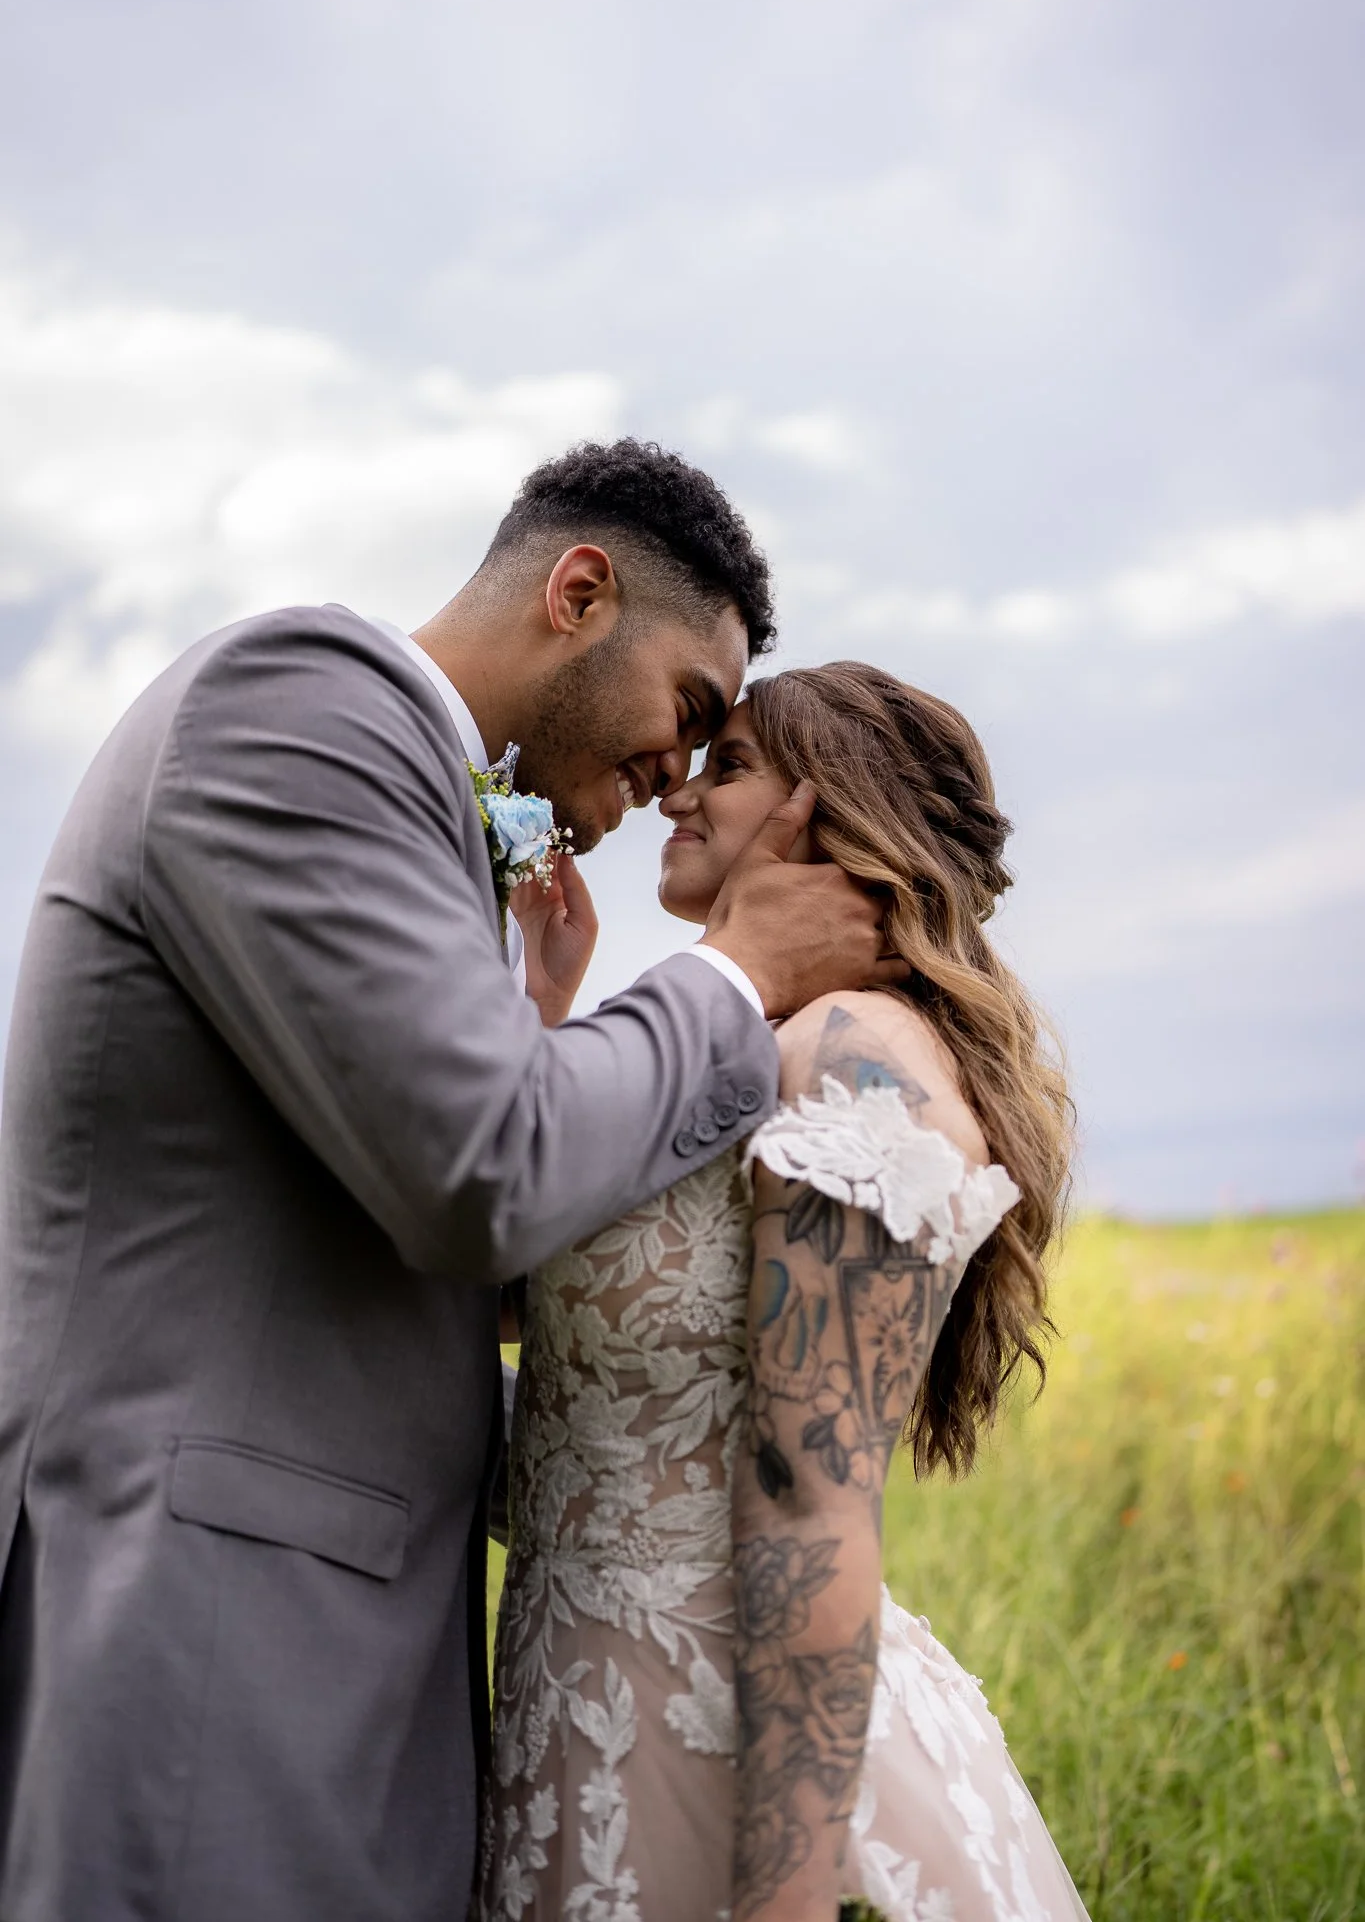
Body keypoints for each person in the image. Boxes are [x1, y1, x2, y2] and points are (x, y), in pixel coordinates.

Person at [0, 441, 901, 1922]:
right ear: (581, 591)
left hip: (340, 1636)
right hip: (209, 1632)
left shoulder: (426, 821)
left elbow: (419, 1238)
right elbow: (481, 1173)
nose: (676, 774)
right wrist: (737, 979)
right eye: (685, 708)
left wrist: (534, 1028)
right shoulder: (296, 707)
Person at [479, 662, 1087, 1922]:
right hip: (583, 1724)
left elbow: (814, 1501)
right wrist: (542, 1009)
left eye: (731, 763)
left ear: (830, 813)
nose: (677, 796)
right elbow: (547, 1344)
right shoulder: (735, 1053)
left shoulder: (858, 1059)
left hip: (729, 1753)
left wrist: (787, 1898)